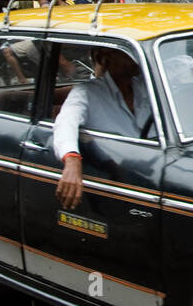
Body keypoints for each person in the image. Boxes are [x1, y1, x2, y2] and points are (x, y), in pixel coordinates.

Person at [53, 47, 158, 208]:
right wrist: (72, 160)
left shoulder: (146, 86)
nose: (135, 58)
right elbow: (66, 122)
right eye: (127, 53)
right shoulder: (87, 92)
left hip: (152, 166)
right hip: (118, 175)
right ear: (104, 58)